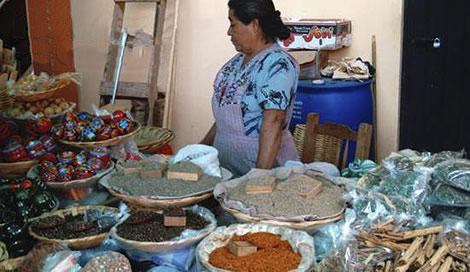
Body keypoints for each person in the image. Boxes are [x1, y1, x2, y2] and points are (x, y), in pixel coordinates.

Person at [200, 0, 300, 177]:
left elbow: (274, 120)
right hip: (229, 168)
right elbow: (225, 118)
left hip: (265, 169)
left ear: (254, 25)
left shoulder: (277, 65)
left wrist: (259, 177)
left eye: (233, 24)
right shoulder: (236, 63)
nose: (229, 32)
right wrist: (198, 150)